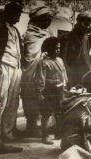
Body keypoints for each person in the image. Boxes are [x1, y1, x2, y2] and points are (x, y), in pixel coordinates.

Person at [21, 6, 53, 137]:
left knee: (42, 97)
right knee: (29, 97)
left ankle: (42, 126)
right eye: (45, 19)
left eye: (49, 19)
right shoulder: (27, 35)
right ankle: (31, 125)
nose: (48, 22)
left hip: (43, 70)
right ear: (37, 19)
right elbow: (24, 54)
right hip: (29, 71)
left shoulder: (48, 34)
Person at [0, 0, 23, 154]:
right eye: (16, 13)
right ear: (8, 12)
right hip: (4, 66)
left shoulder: (15, 29)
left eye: (20, 13)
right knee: (0, 101)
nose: (19, 16)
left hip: (16, 67)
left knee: (12, 102)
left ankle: (7, 133)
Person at [34, 37, 68, 144]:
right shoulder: (43, 62)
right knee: (46, 113)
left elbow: (64, 74)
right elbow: (40, 78)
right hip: (48, 91)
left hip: (59, 91)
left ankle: (58, 132)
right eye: (55, 48)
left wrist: (64, 86)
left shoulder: (60, 60)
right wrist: (40, 92)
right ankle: (45, 135)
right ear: (48, 48)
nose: (58, 50)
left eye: (59, 48)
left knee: (59, 112)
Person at [60, 13, 91, 87]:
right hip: (71, 75)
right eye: (85, 24)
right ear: (78, 22)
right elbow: (63, 60)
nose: (88, 27)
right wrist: (68, 76)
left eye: (89, 25)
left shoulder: (89, 38)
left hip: (85, 74)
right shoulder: (66, 38)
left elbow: (87, 57)